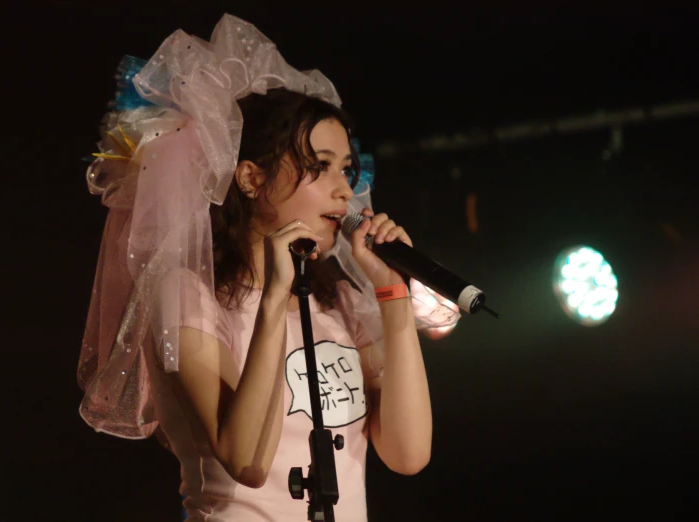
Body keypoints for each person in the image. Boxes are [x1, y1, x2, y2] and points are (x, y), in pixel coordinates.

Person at [78, 14, 459, 521]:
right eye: (319, 166)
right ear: (252, 178)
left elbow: (408, 455)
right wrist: (275, 299)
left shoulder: (340, 302)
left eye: (346, 170)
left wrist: (392, 294)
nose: (344, 190)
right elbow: (246, 460)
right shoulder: (188, 295)